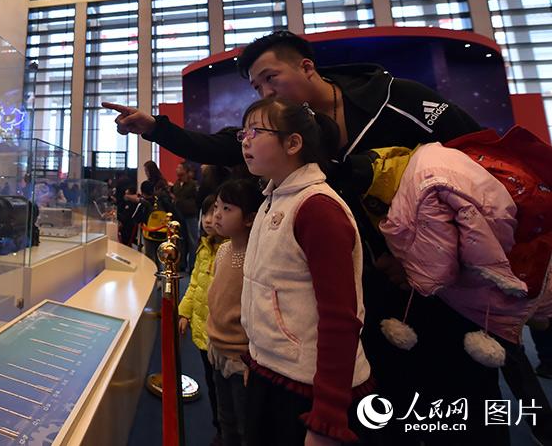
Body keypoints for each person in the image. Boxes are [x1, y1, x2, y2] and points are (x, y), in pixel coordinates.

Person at [102, 30, 503, 444]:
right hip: (371, 294)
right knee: (389, 409)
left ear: (306, 66)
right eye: (256, 87)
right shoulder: (284, 184)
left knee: (460, 405)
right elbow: (220, 147)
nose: (264, 91)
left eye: (271, 78)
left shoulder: (394, 100)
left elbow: (481, 167)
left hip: (444, 285)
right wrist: (156, 128)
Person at [238, 97, 371, 445]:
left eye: (256, 131)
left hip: (309, 387)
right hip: (274, 370)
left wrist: (327, 415)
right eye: (243, 132)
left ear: (293, 143)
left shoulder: (317, 208)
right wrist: (258, 361)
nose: (245, 140)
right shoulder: (273, 198)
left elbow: (341, 316)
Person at [207, 177, 265, 446]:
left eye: (227, 209)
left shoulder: (256, 257)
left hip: (242, 357)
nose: (217, 214)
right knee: (225, 416)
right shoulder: (222, 250)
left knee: (245, 425)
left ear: (250, 218)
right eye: (217, 206)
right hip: (217, 348)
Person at [177, 194, 222, 439]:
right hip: (202, 329)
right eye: (205, 214)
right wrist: (184, 312)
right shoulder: (204, 248)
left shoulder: (233, 250)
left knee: (224, 387)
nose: (207, 220)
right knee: (212, 383)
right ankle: (218, 428)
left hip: (224, 336)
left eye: (214, 213)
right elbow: (194, 284)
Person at [172, 161, 200, 269]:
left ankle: (192, 265)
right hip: (179, 215)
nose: (176, 170)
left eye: (179, 168)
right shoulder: (176, 184)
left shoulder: (193, 184)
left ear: (185, 170)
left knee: (193, 241)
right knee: (181, 241)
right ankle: (181, 264)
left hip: (190, 215)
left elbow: (196, 199)